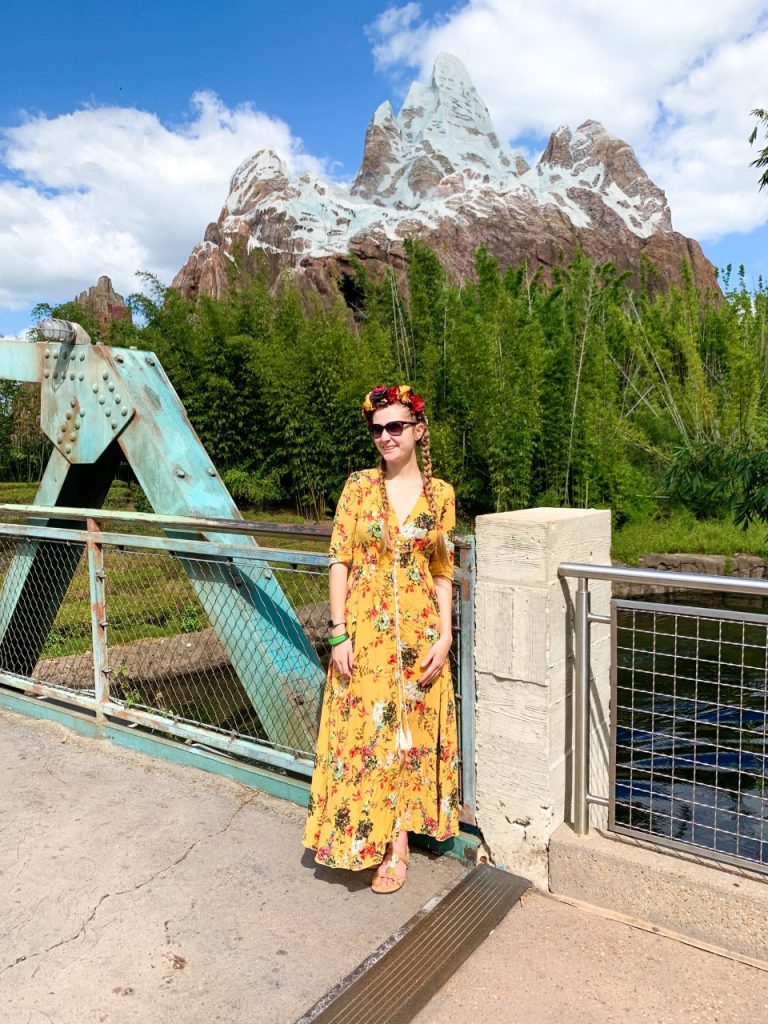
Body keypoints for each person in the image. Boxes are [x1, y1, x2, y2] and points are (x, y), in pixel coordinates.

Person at [303, 384, 460, 893]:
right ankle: (370, 838)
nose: (386, 437)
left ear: (418, 429)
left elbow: (441, 570)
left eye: (396, 426)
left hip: (419, 634)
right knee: (369, 733)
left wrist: (446, 633)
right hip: (366, 633)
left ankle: (399, 846)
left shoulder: (441, 496)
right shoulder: (358, 487)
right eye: (377, 429)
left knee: (408, 735)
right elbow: (339, 559)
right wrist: (338, 631)